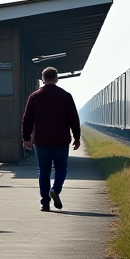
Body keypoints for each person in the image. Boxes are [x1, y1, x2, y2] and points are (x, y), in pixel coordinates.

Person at [22, 66, 81, 212]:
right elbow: (74, 119)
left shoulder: (34, 96)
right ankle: (55, 189)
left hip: (42, 141)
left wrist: (26, 137)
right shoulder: (66, 96)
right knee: (61, 168)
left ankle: (45, 203)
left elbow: (27, 119)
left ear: (43, 79)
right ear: (56, 78)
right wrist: (77, 137)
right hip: (61, 140)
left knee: (44, 171)